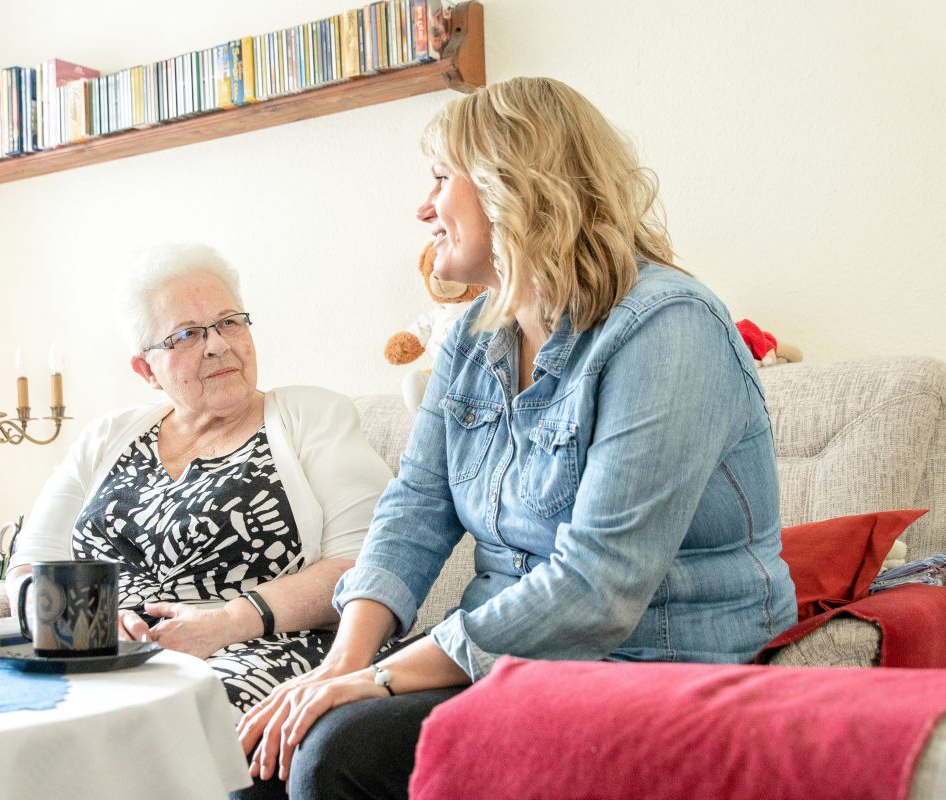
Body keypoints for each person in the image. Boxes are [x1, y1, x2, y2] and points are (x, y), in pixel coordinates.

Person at [235, 76, 797, 799]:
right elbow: (416, 505)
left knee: (336, 756)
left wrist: (382, 678)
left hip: (647, 657)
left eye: (441, 178)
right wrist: (343, 663)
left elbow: (599, 588)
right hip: (511, 652)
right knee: (261, 762)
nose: (423, 207)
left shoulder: (668, 328)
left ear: (514, 186)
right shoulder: (474, 334)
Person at [6, 243, 393, 714]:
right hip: (114, 660)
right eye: (186, 335)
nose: (218, 344)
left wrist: (228, 621)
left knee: (157, 710)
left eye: (230, 321)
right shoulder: (105, 437)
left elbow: (367, 563)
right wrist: (80, 626)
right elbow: (30, 565)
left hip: (260, 649)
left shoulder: (312, 416)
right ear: (147, 369)